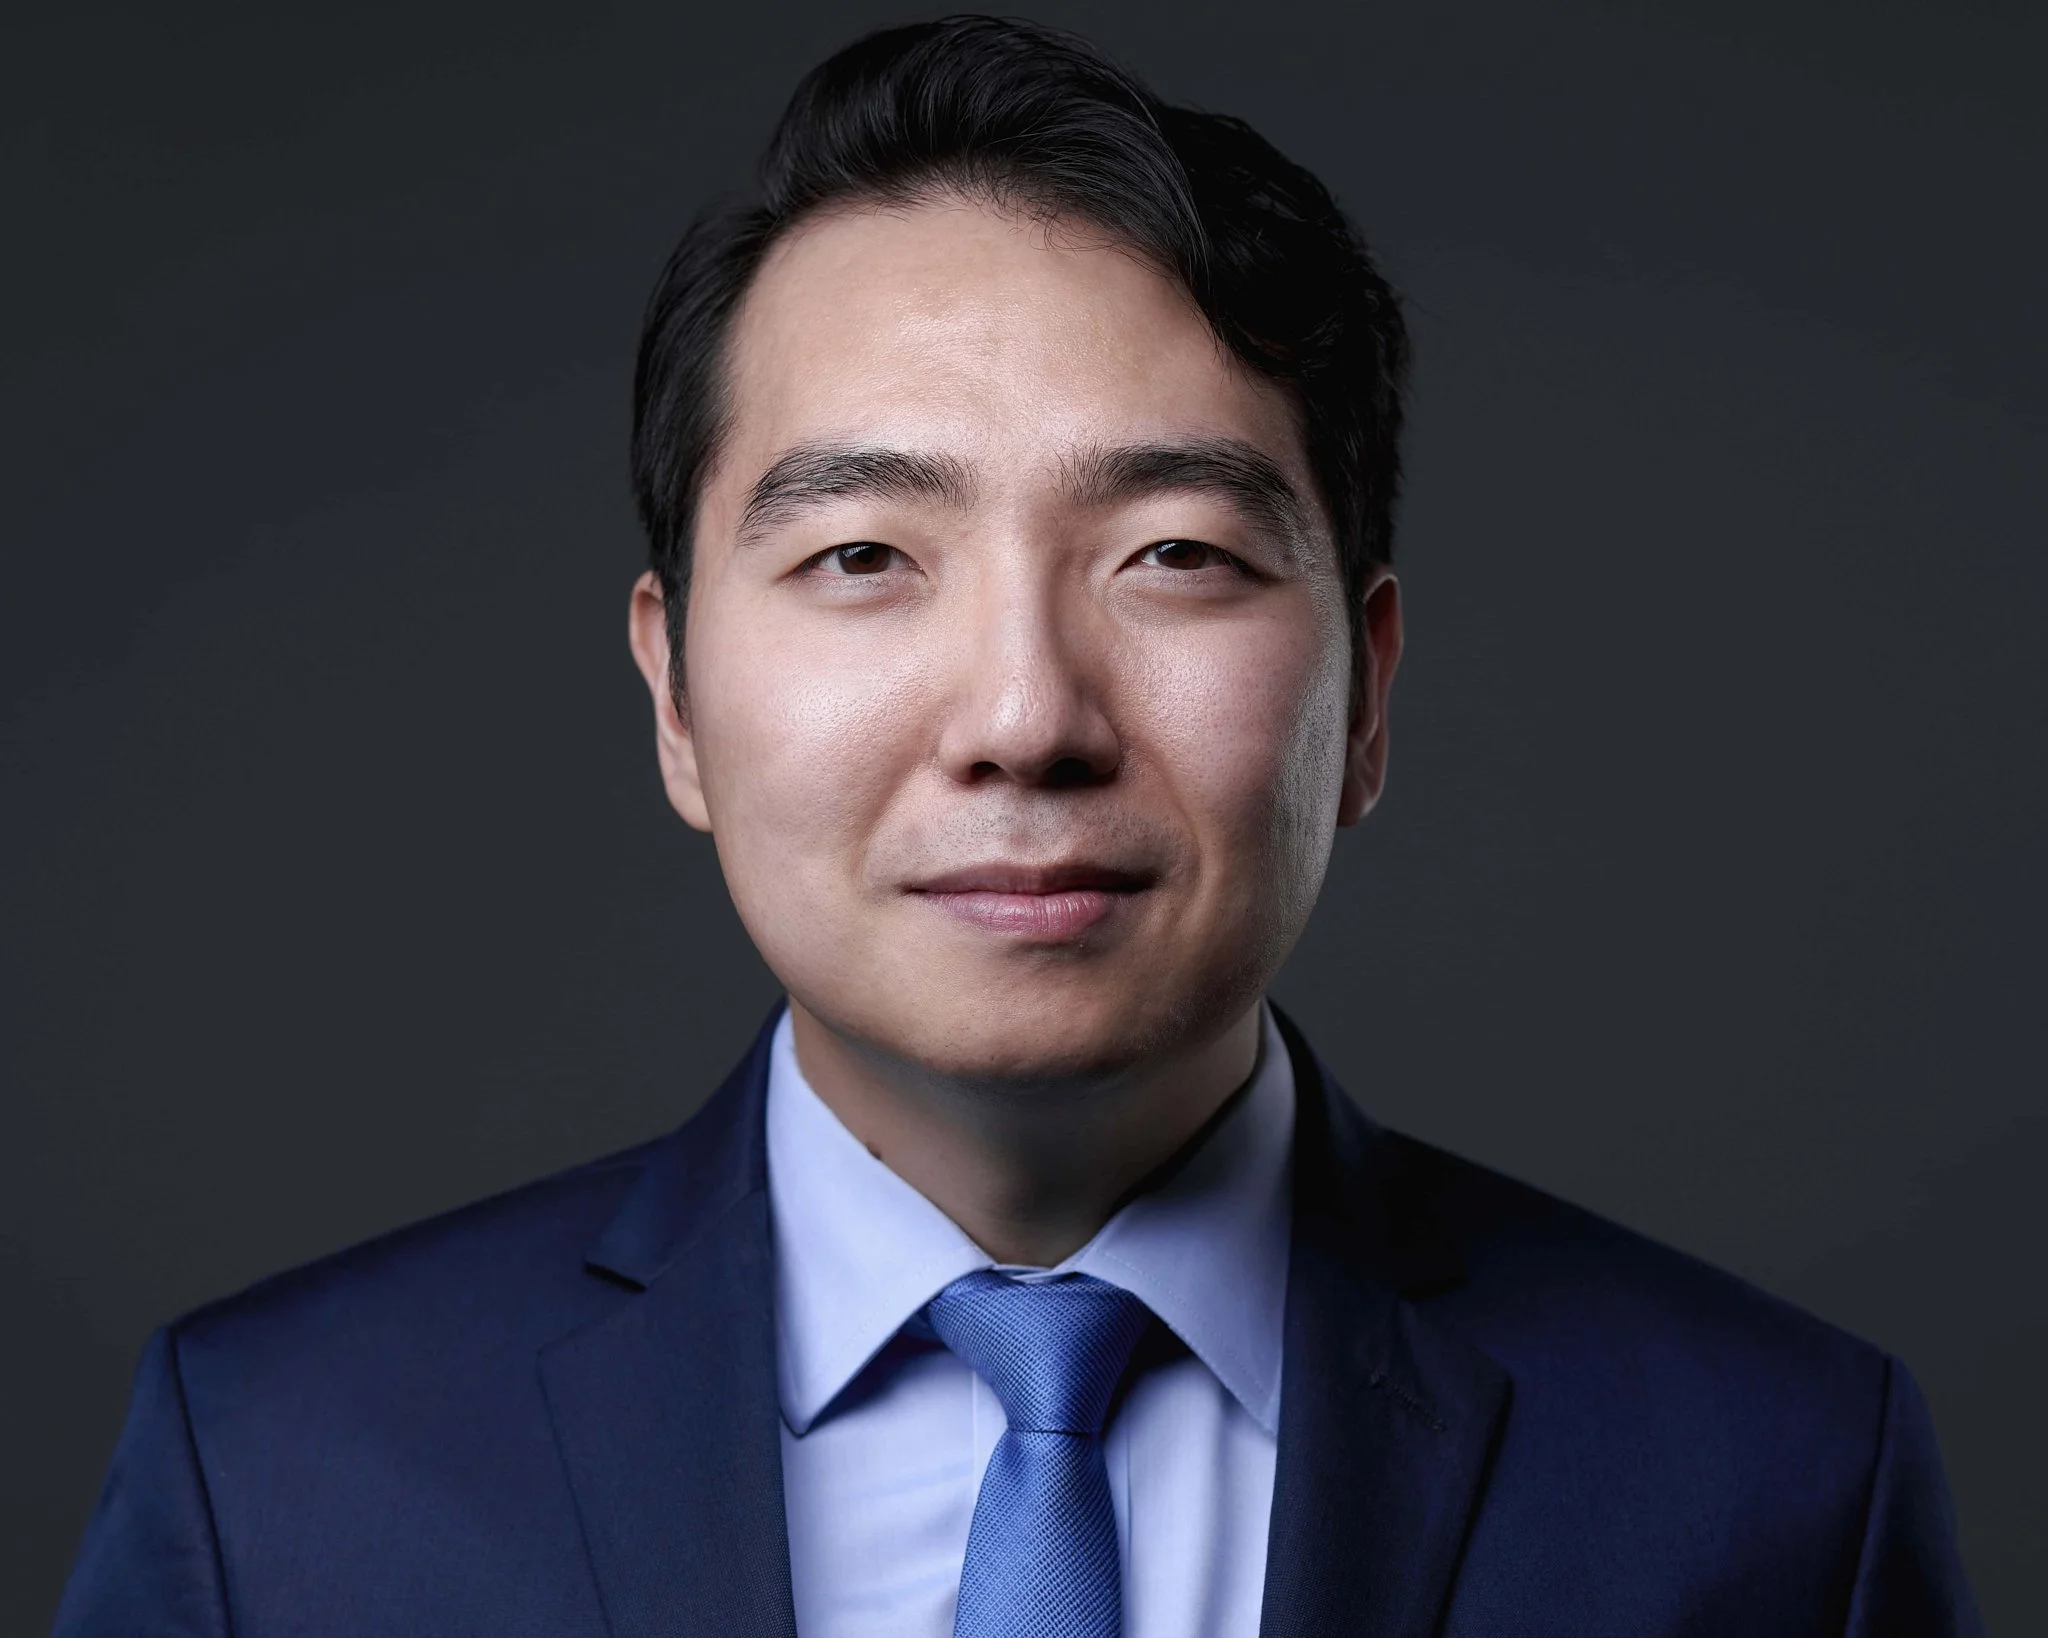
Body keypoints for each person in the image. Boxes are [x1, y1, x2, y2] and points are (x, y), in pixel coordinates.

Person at [54, 16, 1981, 1637]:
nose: (1024, 719)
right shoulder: (280, 1477)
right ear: (676, 696)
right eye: (863, 554)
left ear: (1367, 693)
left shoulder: (1779, 1486)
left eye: (1174, 553)